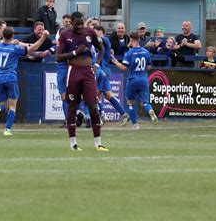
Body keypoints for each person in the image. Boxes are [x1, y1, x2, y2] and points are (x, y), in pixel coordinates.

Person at [56, 11, 108, 152]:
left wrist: (96, 64)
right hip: (73, 71)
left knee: (93, 105)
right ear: (71, 23)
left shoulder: (90, 32)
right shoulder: (65, 35)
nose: (79, 26)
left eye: (81, 23)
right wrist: (75, 53)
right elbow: (58, 57)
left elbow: (101, 48)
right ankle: (73, 144)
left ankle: (98, 143)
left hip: (88, 73)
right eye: (76, 24)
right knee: (72, 106)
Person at [112, 32, 158, 130]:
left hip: (133, 80)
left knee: (130, 103)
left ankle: (135, 125)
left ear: (131, 40)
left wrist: (115, 61)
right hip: (143, 79)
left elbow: (124, 68)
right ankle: (150, 110)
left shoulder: (129, 53)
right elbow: (149, 67)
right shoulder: (146, 52)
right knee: (145, 102)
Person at [94, 26, 128, 124]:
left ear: (102, 32)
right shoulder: (100, 43)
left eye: (96, 32)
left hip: (102, 70)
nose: (94, 33)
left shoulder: (105, 40)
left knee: (95, 95)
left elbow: (99, 39)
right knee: (107, 95)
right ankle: (123, 114)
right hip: (104, 70)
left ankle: (101, 116)